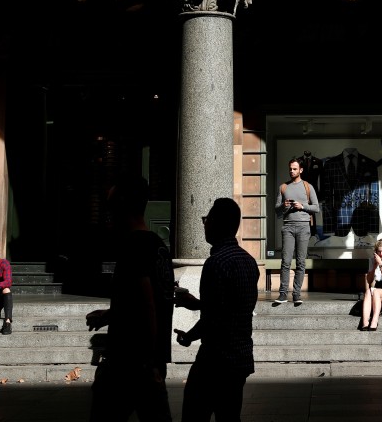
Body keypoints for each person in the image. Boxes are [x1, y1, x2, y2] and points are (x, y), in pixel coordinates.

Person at [86, 177, 174, 422]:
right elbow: (153, 298)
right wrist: (111, 314)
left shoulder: (132, 247)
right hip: (147, 361)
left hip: (131, 362)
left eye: (110, 205)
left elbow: (148, 305)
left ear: (121, 206)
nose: (108, 213)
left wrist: (149, 363)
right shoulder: (158, 245)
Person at [173, 198, 259, 422]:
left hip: (215, 359)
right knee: (229, 417)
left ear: (217, 224)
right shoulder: (248, 261)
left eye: (207, 219)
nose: (204, 224)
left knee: (194, 414)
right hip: (240, 356)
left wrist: (189, 336)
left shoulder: (216, 263)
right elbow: (232, 305)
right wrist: (198, 304)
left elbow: (215, 316)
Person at [273, 157, 320, 307]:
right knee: (285, 261)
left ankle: (296, 294)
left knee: (300, 262)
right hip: (287, 227)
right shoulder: (284, 187)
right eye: (290, 169)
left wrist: (303, 206)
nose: (292, 171)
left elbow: (317, 208)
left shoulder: (308, 186)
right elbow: (277, 211)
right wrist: (284, 206)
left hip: (303, 227)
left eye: (294, 169)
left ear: (301, 170)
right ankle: (282, 293)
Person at [359, 238, 382, 331]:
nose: (381, 254)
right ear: (375, 252)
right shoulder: (372, 261)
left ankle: (374, 321)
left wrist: (380, 264)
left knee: (375, 291)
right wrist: (374, 266)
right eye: (379, 251)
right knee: (368, 291)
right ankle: (365, 322)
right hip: (378, 287)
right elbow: (369, 280)